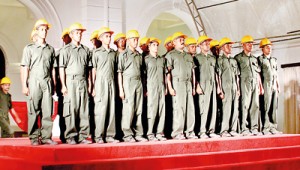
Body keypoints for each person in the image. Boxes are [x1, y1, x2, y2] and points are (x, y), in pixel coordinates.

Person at [20, 18, 57, 145]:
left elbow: (52, 69)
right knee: (34, 110)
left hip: (47, 82)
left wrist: (54, 84)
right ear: (36, 31)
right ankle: (34, 137)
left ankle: (46, 137)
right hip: (34, 81)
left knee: (47, 110)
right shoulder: (29, 48)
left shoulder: (50, 49)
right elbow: (25, 67)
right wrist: (24, 85)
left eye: (46, 29)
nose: (44, 31)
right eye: (42, 29)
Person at [59, 23, 92, 144]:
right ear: (71, 35)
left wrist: (90, 85)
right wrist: (63, 85)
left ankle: (83, 136)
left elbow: (88, 70)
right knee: (71, 109)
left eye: (80, 33)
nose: (79, 35)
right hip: (70, 81)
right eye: (77, 33)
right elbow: (61, 68)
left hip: (82, 81)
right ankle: (70, 136)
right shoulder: (65, 50)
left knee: (83, 110)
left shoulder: (85, 50)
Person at [166, 32, 197, 140]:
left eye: (183, 39)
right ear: (174, 42)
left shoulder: (188, 55)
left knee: (190, 108)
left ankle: (190, 131)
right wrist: (170, 87)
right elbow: (167, 73)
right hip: (177, 83)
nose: (182, 41)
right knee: (179, 108)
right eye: (179, 39)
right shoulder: (170, 55)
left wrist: (193, 87)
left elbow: (193, 72)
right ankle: (177, 132)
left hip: (188, 84)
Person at [118, 30, 147, 142]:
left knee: (138, 109)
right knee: (128, 109)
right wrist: (121, 89)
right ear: (128, 41)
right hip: (128, 83)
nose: (135, 41)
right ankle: (128, 134)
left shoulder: (139, 55)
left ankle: (139, 133)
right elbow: (119, 72)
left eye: (136, 39)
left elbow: (142, 73)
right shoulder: (123, 55)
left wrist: (144, 87)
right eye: (133, 39)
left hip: (138, 82)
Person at [91, 27, 119, 143]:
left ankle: (110, 135)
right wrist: (93, 86)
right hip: (100, 83)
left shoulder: (114, 53)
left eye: (109, 36)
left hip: (111, 82)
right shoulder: (97, 53)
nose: (109, 38)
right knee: (100, 109)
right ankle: (98, 136)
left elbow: (117, 70)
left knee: (111, 109)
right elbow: (94, 70)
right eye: (106, 36)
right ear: (101, 38)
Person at [235, 35, 264, 136]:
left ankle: (254, 128)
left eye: (251, 43)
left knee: (255, 105)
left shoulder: (254, 59)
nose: (250, 45)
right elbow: (236, 75)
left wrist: (260, 86)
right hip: (244, 84)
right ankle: (244, 128)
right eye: (248, 43)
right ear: (243, 45)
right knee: (245, 105)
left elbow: (258, 73)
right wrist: (238, 88)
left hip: (255, 83)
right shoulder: (238, 58)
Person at [195, 35, 219, 139]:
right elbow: (194, 74)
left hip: (212, 84)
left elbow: (216, 74)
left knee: (212, 108)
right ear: (200, 45)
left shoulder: (212, 58)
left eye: (208, 43)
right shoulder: (196, 58)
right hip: (203, 85)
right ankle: (202, 131)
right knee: (203, 108)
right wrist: (197, 86)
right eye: (205, 43)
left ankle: (211, 130)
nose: (207, 45)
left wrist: (218, 87)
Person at [144, 37, 167, 141]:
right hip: (151, 87)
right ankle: (150, 133)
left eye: (157, 45)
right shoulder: (146, 59)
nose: (156, 47)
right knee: (152, 110)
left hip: (161, 86)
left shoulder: (162, 59)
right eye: (154, 45)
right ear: (149, 47)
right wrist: (145, 89)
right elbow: (143, 76)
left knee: (161, 110)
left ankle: (159, 132)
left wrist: (165, 87)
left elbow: (165, 75)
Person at [216, 37, 240, 137]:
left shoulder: (233, 61)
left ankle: (233, 129)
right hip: (225, 87)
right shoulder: (220, 60)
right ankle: (224, 130)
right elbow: (218, 75)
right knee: (226, 109)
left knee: (235, 109)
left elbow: (237, 76)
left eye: (230, 46)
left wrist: (238, 89)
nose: (229, 47)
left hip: (234, 87)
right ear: (221, 48)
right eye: (227, 45)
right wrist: (219, 88)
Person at [258, 38, 282, 135]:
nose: (269, 49)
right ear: (262, 49)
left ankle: (273, 127)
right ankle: (266, 128)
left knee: (274, 106)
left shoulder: (273, 60)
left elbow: (276, 73)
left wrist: (278, 84)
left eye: (270, 47)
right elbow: (258, 74)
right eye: (267, 47)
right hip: (266, 84)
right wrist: (260, 86)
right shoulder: (260, 59)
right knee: (266, 106)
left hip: (273, 85)